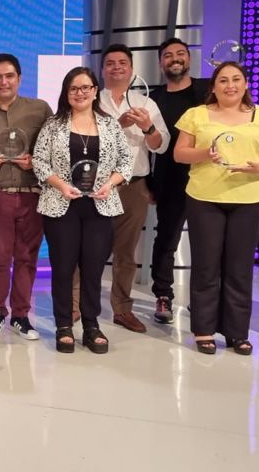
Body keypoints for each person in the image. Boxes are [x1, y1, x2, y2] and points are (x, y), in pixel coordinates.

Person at [173, 62, 259, 355]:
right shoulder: (196, 115)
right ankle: (203, 330)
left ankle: (237, 333)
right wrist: (204, 154)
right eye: (223, 80)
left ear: (246, 84)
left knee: (239, 268)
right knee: (206, 266)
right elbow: (179, 153)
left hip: (248, 199)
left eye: (236, 79)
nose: (230, 85)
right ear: (213, 86)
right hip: (204, 198)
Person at [33, 66, 133, 354]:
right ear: (66, 92)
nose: (80, 93)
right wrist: (61, 185)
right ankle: (64, 325)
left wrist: (110, 184)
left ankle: (91, 325)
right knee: (63, 268)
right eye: (74, 88)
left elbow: (126, 162)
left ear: (95, 91)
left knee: (93, 268)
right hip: (61, 204)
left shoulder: (110, 124)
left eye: (85, 87)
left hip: (100, 205)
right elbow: (39, 161)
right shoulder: (53, 125)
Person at [0, 53, 52, 340]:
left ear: (19, 78)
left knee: (27, 257)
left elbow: (54, 150)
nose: (4, 81)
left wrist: (36, 163)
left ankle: (21, 315)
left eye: (9, 76)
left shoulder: (40, 110)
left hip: (32, 194)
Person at [94, 44, 170, 334]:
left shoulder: (146, 103)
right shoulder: (92, 101)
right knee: (90, 248)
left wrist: (148, 127)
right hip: (97, 186)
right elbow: (82, 141)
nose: (116, 67)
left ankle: (122, 309)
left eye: (122, 63)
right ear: (102, 69)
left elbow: (161, 145)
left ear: (132, 69)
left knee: (126, 253)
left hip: (134, 185)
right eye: (110, 63)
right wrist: (118, 124)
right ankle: (79, 305)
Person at [148, 37, 210, 324]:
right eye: (168, 55)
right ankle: (163, 295)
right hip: (169, 181)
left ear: (189, 58)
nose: (175, 59)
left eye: (180, 53)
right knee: (166, 240)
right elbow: (146, 145)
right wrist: (150, 182)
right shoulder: (154, 99)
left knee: (207, 243)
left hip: (207, 180)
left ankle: (203, 300)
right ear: (161, 62)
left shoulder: (207, 90)